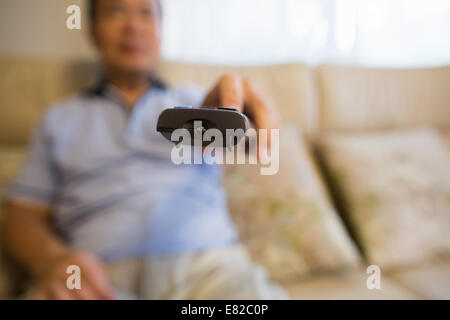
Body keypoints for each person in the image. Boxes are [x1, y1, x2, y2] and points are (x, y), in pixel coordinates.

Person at [1, 0, 287, 300]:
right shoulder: (58, 119)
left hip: (210, 272)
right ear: (93, 32)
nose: (133, 26)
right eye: (116, 12)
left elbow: (249, 141)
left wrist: (248, 122)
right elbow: (23, 215)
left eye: (146, 14)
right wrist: (52, 259)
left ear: (160, 31)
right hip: (99, 278)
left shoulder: (193, 102)